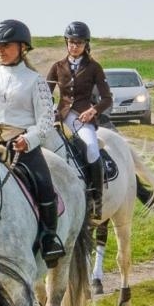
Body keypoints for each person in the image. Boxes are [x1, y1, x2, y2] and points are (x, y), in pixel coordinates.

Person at [0, 19, 67, 265]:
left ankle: (49, 238)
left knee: (44, 183)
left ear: (23, 47)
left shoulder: (35, 81)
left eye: (6, 45)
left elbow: (45, 121)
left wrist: (29, 139)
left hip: (21, 144)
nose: (0, 49)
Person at [45, 21, 112, 221]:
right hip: (61, 117)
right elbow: (44, 94)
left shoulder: (94, 67)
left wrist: (93, 111)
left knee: (92, 149)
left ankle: (95, 202)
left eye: (79, 43)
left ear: (85, 44)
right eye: (72, 42)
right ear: (67, 42)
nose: (75, 46)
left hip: (83, 117)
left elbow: (107, 98)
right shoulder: (57, 67)